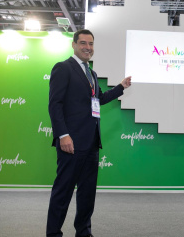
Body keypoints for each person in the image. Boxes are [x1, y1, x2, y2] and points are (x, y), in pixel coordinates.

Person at [46, 29, 132, 237]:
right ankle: (53, 234)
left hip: (92, 143)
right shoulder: (63, 68)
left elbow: (99, 99)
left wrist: (120, 87)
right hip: (71, 143)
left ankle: (83, 232)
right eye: (83, 43)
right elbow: (54, 105)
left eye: (91, 44)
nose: (88, 47)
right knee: (63, 192)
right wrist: (63, 135)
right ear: (74, 45)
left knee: (87, 194)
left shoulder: (91, 74)